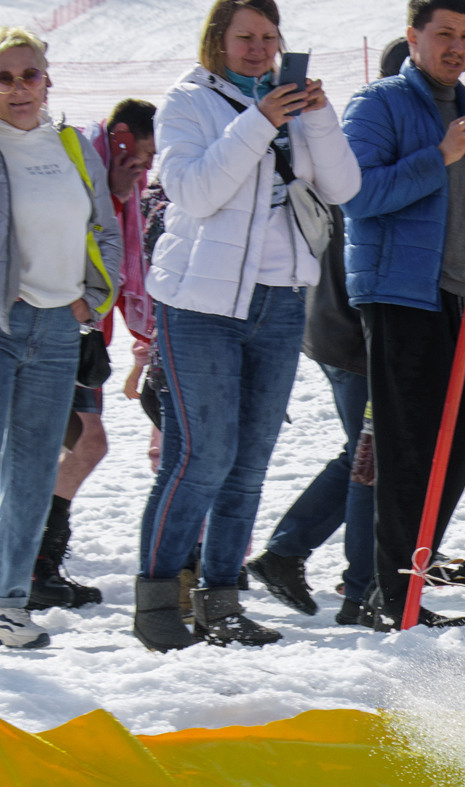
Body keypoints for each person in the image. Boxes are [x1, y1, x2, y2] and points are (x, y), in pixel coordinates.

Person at [136, 0, 359, 651]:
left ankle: (221, 600)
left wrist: (316, 118)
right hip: (201, 305)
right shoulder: (188, 102)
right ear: (218, 41)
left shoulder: (293, 108)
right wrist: (259, 121)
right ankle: (155, 600)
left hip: (280, 301)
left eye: (269, 37)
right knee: (201, 458)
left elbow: (343, 187)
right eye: (246, 37)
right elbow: (196, 192)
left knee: (249, 464)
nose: (260, 49)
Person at [341, 0, 465, 630]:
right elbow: (355, 193)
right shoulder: (379, 103)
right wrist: (437, 156)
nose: (456, 48)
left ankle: (402, 586)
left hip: (461, 298)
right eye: (443, 34)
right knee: (410, 450)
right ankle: (392, 597)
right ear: (413, 35)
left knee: (457, 445)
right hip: (400, 294)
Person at [247, 37, 406, 626]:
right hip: (354, 330)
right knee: (373, 455)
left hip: (341, 326)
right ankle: (359, 585)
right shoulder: (373, 137)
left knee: (365, 452)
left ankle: (290, 553)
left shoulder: (359, 133)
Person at [0, 28, 120, 651]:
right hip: (2, 324)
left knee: (29, 472)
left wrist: (91, 300)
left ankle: (9, 603)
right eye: (5, 78)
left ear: (49, 80)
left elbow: (105, 227)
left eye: (30, 75)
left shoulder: (70, 145)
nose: (20, 89)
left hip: (55, 330)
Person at [32, 96, 154, 613]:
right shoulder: (76, 164)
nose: (147, 168)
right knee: (80, 445)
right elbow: (75, 240)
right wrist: (116, 194)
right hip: (59, 325)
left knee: (74, 446)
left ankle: (35, 560)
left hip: (87, 337)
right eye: (143, 155)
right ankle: (34, 562)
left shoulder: (119, 184)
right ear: (121, 134)